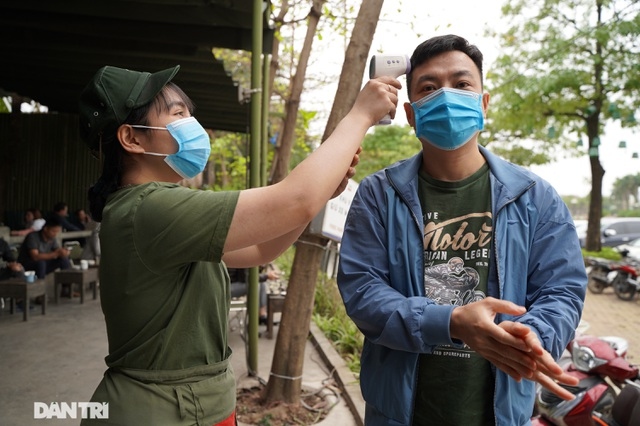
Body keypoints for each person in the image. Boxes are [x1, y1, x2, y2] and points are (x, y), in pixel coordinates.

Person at [77, 64, 398, 425]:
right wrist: (360, 115)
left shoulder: (153, 208)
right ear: (131, 138)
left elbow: (261, 250)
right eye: (178, 114)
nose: (192, 125)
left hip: (195, 404)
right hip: (161, 412)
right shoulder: (149, 208)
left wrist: (317, 199)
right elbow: (293, 200)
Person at [336, 34, 587, 426]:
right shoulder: (378, 194)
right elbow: (362, 290)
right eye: (429, 88)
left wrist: (528, 336)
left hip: (499, 414)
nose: (447, 96)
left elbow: (563, 288)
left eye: (462, 83)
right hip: (399, 415)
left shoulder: (535, 197)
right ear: (411, 113)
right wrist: (450, 322)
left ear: (484, 104)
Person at [17, 215, 72, 279]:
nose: (55, 234)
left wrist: (63, 253)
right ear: (45, 229)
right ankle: (40, 285)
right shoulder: (33, 237)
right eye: (53, 231)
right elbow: (35, 257)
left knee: (63, 260)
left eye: (57, 232)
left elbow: (57, 250)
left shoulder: (52, 238)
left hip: (44, 264)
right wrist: (56, 254)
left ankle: (66, 284)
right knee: (41, 263)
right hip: (27, 264)